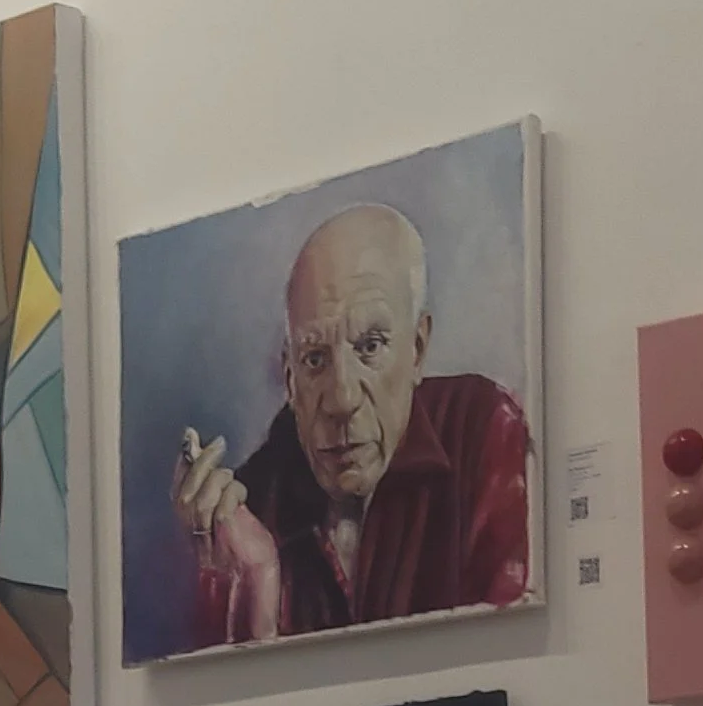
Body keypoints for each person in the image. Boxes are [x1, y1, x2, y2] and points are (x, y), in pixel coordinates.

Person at [172, 202, 530, 642]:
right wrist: (255, 585)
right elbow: (220, 681)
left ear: (417, 350)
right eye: (314, 358)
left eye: (370, 346)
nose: (342, 399)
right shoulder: (251, 504)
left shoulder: (483, 430)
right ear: (290, 378)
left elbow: (509, 648)